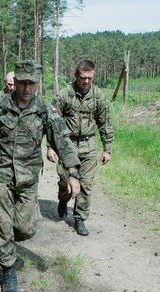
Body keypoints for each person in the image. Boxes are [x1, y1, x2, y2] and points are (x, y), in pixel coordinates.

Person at [0, 59, 81, 292]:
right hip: (1, 174)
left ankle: (8, 241)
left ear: (37, 84)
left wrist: (73, 173)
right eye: (22, 83)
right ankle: (8, 270)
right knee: (3, 224)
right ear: (15, 83)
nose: (26, 88)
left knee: (24, 229)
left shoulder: (45, 109)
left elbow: (62, 141)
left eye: (31, 83)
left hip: (28, 176)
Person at [47, 59, 114, 236]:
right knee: (65, 181)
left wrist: (107, 148)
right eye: (83, 78)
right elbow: (53, 123)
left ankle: (80, 218)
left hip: (89, 145)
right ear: (76, 75)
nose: (86, 82)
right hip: (67, 145)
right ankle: (63, 199)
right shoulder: (64, 95)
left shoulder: (98, 96)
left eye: (90, 78)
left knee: (86, 184)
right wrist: (50, 147)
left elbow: (105, 123)